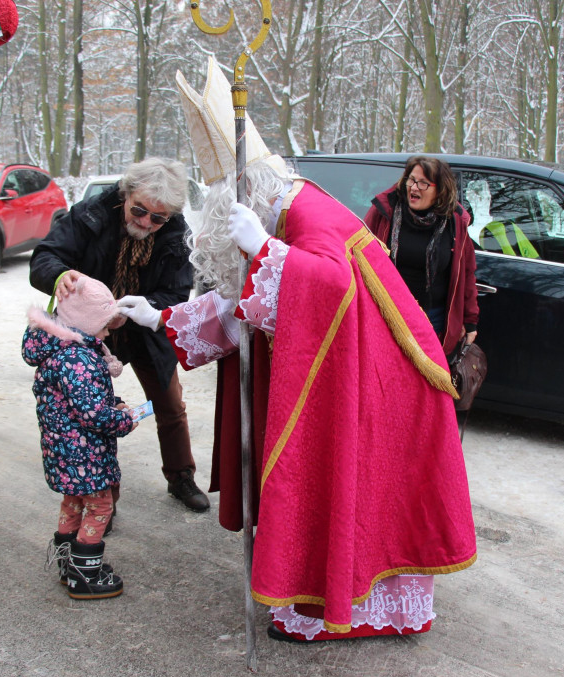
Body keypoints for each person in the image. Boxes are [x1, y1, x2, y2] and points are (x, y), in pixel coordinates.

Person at [119, 57, 476, 642]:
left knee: (348, 488)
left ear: (251, 192)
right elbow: (247, 311)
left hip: (382, 384)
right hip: (354, 371)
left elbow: (329, 287)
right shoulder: (279, 216)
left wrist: (264, 248)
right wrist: (159, 316)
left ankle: (333, 606)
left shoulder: (299, 213)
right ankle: (312, 593)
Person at [29, 157, 210, 512]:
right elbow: (44, 258)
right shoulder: (90, 215)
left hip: (143, 330)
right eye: (139, 211)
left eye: (157, 218)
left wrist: (142, 310)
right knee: (90, 415)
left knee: (170, 406)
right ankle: (100, 499)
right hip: (88, 330)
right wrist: (59, 276)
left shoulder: (175, 234)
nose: (145, 223)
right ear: (126, 194)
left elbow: (175, 293)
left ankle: (181, 476)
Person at [22, 275, 137, 599]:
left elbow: (80, 402)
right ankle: (85, 574)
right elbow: (92, 414)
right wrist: (123, 419)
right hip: (83, 453)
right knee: (100, 506)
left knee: (73, 501)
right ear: (84, 324)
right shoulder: (77, 360)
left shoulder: (61, 350)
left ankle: (67, 564)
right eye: (102, 327)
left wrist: (111, 403)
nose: (106, 334)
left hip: (64, 451)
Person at [364, 156, 479, 357]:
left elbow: (467, 274)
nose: (414, 188)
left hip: (432, 318)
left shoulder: (455, 223)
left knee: (424, 383)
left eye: (423, 183)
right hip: (386, 313)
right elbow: (358, 258)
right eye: (411, 180)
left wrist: (469, 321)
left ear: (440, 190)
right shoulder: (384, 212)